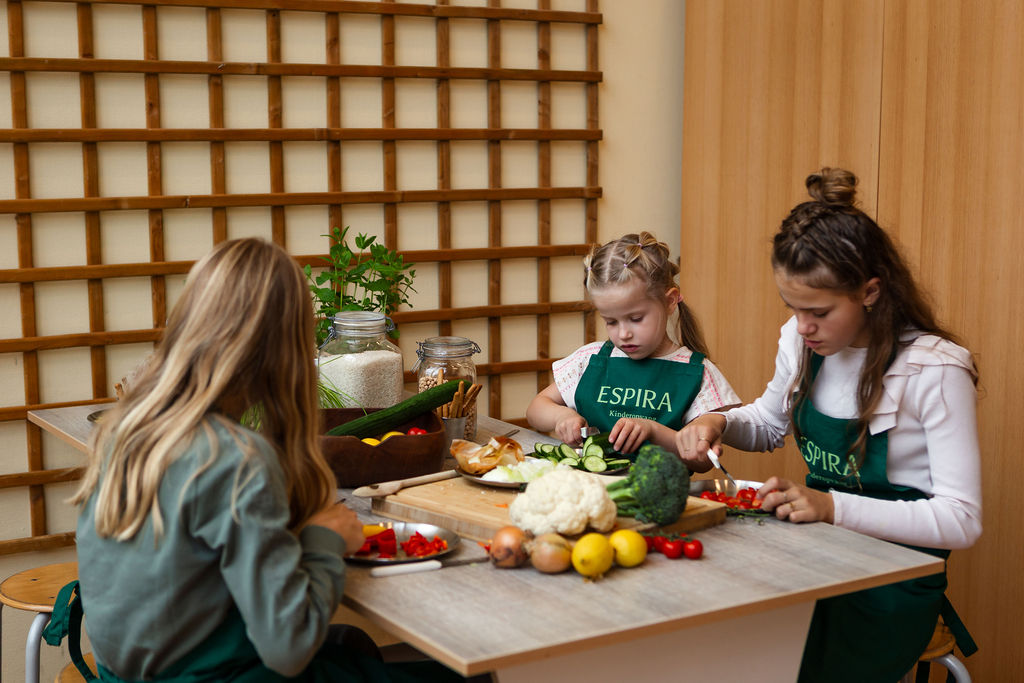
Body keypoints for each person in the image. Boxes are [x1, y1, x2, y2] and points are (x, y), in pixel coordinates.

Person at [53, 238, 471, 682]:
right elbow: (288, 649)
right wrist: (325, 540)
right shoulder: (233, 457)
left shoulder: (126, 430)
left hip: (129, 674)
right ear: (286, 349)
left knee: (352, 643)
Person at [676, 168, 981, 682]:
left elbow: (961, 519)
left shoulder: (935, 369)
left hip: (891, 583)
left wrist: (831, 506)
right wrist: (718, 422)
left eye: (817, 311)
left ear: (870, 291)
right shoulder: (802, 341)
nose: (802, 326)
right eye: (791, 308)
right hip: (811, 551)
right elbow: (769, 424)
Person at [527, 231, 739, 457]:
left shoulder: (699, 373)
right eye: (611, 321)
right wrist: (562, 416)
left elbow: (703, 460)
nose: (624, 334)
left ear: (669, 301)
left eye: (636, 319)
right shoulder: (590, 359)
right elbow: (536, 408)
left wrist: (654, 432)